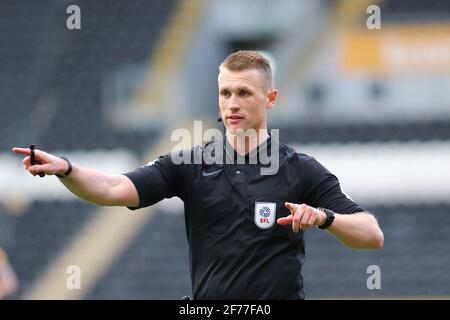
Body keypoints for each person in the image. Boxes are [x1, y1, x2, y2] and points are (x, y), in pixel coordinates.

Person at [12, 50, 383, 300]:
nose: (232, 103)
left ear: (270, 99)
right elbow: (112, 188)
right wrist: (67, 169)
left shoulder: (300, 169)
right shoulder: (189, 164)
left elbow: (371, 235)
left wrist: (325, 218)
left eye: (243, 92)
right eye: (225, 93)